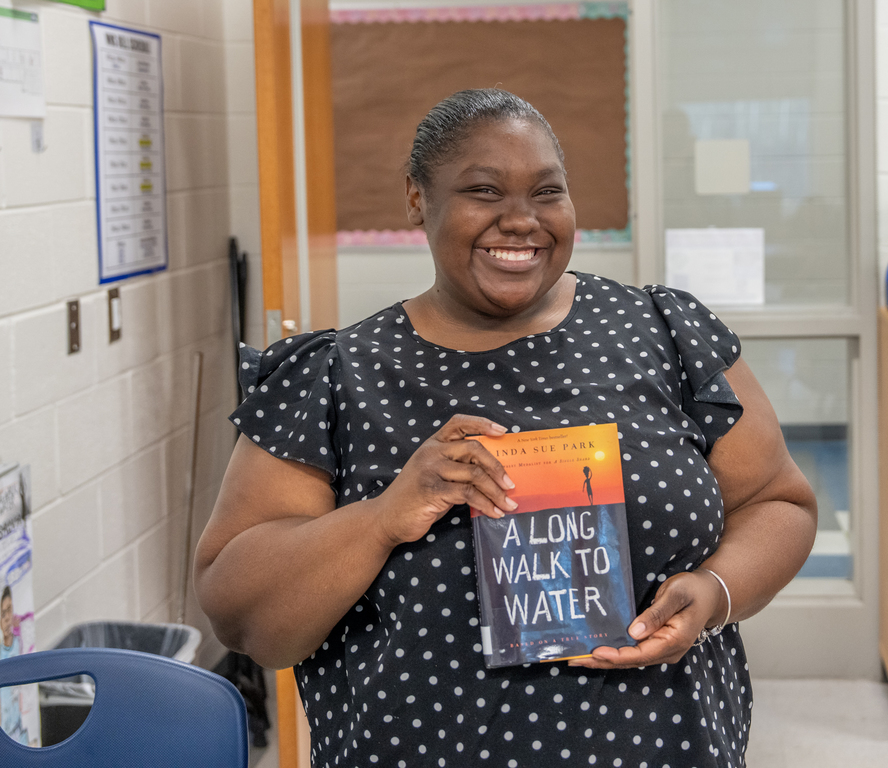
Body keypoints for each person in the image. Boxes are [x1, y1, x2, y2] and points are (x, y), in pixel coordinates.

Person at [195, 89, 817, 768]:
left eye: (547, 192)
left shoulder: (665, 336)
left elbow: (779, 503)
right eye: (484, 191)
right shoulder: (337, 376)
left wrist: (717, 592)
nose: (521, 221)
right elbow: (241, 615)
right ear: (416, 200)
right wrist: (384, 517)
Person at [0, 585, 28, 746]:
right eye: (2, 613)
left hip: (18, 727)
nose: (6, 618)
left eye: (9, 611)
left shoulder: (18, 644)